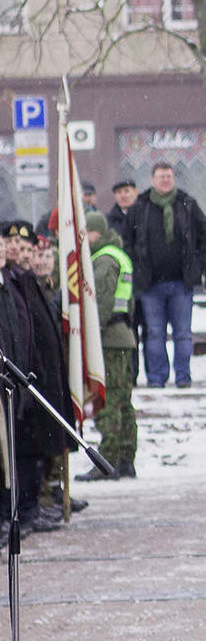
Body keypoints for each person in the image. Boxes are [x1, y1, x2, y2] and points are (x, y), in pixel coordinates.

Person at [3, 221, 72, 532]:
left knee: (31, 449)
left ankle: (32, 504)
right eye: (12, 245)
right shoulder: (14, 282)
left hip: (29, 376)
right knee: (20, 450)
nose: (20, 252)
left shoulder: (23, 281)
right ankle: (21, 509)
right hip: (16, 378)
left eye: (27, 249)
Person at [126, 161, 206, 388]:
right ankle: (157, 378)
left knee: (183, 334)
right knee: (154, 334)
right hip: (150, 284)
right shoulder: (141, 206)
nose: (165, 180)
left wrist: (199, 267)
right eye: (161, 176)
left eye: (169, 176)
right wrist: (137, 270)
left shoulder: (187, 203)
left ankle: (183, 376)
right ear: (152, 179)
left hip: (181, 283)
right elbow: (128, 242)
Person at [76, 212, 138, 481]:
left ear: (95, 233)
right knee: (123, 400)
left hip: (109, 339)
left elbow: (98, 305)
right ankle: (126, 458)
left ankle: (108, 461)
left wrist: (89, 336)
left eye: (85, 234)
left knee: (110, 400)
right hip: (123, 336)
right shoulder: (119, 255)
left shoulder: (103, 261)